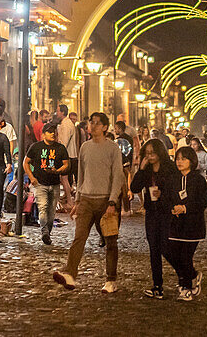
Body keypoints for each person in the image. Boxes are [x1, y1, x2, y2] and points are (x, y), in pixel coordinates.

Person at [52, 112, 124, 293]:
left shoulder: (112, 148)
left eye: (97, 123)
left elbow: (118, 176)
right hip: (86, 200)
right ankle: (70, 274)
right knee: (79, 238)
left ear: (105, 127)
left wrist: (113, 201)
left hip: (105, 201)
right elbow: (81, 174)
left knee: (110, 241)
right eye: (91, 122)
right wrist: (77, 200)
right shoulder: (84, 147)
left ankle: (111, 279)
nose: (92, 126)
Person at [131, 137, 179, 299]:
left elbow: (176, 190)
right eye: (147, 153)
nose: (150, 156)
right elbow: (134, 187)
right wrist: (142, 169)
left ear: (160, 152)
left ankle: (187, 273)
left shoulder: (170, 167)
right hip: (152, 212)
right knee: (154, 249)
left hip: (167, 212)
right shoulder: (147, 170)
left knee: (166, 247)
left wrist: (163, 194)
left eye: (152, 153)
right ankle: (157, 286)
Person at [166, 144, 207, 301]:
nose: (179, 162)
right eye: (177, 159)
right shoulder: (173, 179)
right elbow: (168, 198)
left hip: (192, 226)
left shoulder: (198, 180)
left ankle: (184, 287)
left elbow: (202, 202)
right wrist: (172, 208)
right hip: (176, 225)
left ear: (191, 161)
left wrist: (185, 208)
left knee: (185, 256)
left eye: (183, 159)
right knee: (176, 256)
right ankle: (193, 277)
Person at [24, 121, 70, 244]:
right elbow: (25, 162)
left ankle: (47, 232)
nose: (53, 134)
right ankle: (44, 231)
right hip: (40, 184)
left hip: (55, 183)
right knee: (43, 208)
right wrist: (32, 178)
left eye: (54, 132)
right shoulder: (36, 147)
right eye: (50, 132)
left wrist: (57, 171)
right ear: (43, 134)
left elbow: (66, 164)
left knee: (51, 211)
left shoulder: (60, 148)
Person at [55, 104, 78, 203]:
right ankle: (67, 196)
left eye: (58, 111)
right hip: (70, 155)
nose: (57, 113)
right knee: (64, 179)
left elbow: (64, 142)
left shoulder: (66, 124)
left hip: (67, 156)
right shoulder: (67, 123)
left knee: (64, 179)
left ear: (63, 112)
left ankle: (69, 200)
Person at [113, 121, 135, 213]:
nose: (115, 130)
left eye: (116, 128)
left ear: (120, 128)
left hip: (122, 164)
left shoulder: (119, 140)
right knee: (127, 186)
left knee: (123, 187)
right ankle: (127, 208)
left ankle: (125, 209)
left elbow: (119, 154)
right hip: (128, 163)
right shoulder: (129, 138)